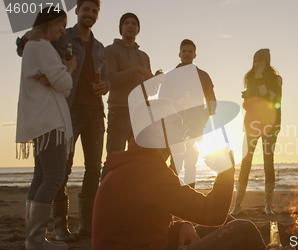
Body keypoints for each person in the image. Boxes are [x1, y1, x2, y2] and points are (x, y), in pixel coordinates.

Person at [92, 99, 266, 250]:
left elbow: (141, 227)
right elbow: (213, 213)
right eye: (177, 121)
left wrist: (180, 227)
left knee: (228, 221)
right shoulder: (148, 173)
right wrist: (225, 171)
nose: (185, 127)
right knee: (244, 231)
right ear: (157, 131)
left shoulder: (138, 166)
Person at [16, 0, 110, 240]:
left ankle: (87, 226)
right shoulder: (60, 36)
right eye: (86, 9)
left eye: (95, 10)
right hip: (67, 111)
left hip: (95, 114)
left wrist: (105, 85)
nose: (90, 14)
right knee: (60, 172)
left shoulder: (100, 47)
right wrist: (26, 37)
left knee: (92, 170)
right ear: (77, 10)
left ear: (98, 15)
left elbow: (107, 77)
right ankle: (59, 227)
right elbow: (29, 44)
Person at [16, 8, 75, 249]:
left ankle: (34, 240)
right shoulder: (41, 46)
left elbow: (56, 81)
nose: (63, 30)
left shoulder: (33, 46)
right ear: (49, 23)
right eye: (61, 24)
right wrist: (67, 69)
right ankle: (36, 242)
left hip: (40, 122)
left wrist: (57, 75)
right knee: (53, 178)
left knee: (41, 177)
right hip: (50, 122)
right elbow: (65, 83)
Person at [101, 12, 157, 179]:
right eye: (126, 23)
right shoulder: (110, 51)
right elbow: (111, 79)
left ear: (138, 29)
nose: (130, 26)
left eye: (134, 23)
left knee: (140, 160)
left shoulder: (144, 56)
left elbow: (150, 89)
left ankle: (133, 201)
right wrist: (135, 70)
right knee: (114, 158)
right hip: (119, 110)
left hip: (141, 113)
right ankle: (104, 202)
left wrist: (155, 80)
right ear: (121, 28)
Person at [232, 48, 282, 215]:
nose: (256, 64)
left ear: (267, 62)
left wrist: (257, 95)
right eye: (254, 60)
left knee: (268, 161)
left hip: (271, 124)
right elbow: (246, 103)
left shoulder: (276, 79)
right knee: (246, 161)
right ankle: (237, 205)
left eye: (260, 60)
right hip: (252, 123)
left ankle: (268, 205)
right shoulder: (249, 79)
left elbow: (272, 99)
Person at [169, 39, 217, 188]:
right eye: (184, 51)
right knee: (174, 164)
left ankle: (189, 203)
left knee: (191, 164)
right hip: (175, 127)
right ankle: (171, 199)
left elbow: (212, 104)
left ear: (195, 55)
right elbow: (164, 102)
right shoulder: (171, 76)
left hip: (196, 127)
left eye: (190, 51)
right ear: (179, 54)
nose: (187, 54)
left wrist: (201, 119)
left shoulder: (203, 76)